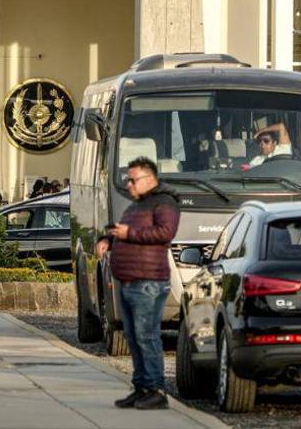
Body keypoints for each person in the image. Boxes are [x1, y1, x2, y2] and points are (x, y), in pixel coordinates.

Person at [95, 157, 180, 410]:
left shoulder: (164, 203)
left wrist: (128, 233)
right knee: (133, 337)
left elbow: (165, 233)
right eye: (128, 180)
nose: (129, 185)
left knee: (146, 336)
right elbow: (125, 233)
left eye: (133, 180)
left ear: (150, 179)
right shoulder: (137, 205)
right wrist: (108, 239)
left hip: (148, 281)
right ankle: (141, 387)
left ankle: (156, 390)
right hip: (129, 280)